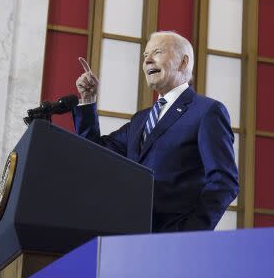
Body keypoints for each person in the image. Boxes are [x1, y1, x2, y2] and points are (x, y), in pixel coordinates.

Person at [73, 31, 239, 231]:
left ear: (183, 62)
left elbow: (224, 181)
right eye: (145, 56)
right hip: (129, 235)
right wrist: (88, 100)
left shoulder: (206, 112)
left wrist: (191, 230)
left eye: (157, 52)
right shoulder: (140, 120)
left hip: (176, 240)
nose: (147, 60)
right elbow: (94, 153)